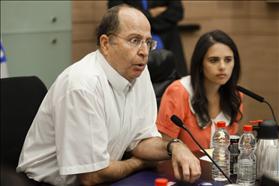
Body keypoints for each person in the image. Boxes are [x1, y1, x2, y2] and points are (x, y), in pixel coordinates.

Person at [16, 5, 201, 186]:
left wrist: (175, 147)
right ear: (105, 44)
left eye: (148, 42)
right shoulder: (82, 85)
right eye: (135, 40)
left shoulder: (139, 72)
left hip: (107, 176)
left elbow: (141, 141)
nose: (144, 51)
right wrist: (140, 163)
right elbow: (91, 176)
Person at [156, 30, 243, 152]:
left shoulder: (235, 95)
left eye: (228, 60)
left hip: (221, 168)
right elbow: (164, 149)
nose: (222, 66)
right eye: (214, 60)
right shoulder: (178, 92)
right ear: (200, 64)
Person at [108, 0, 188, 77]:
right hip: (133, 44)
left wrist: (150, 22)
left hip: (167, 39)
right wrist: (150, 13)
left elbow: (177, 12)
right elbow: (117, 13)